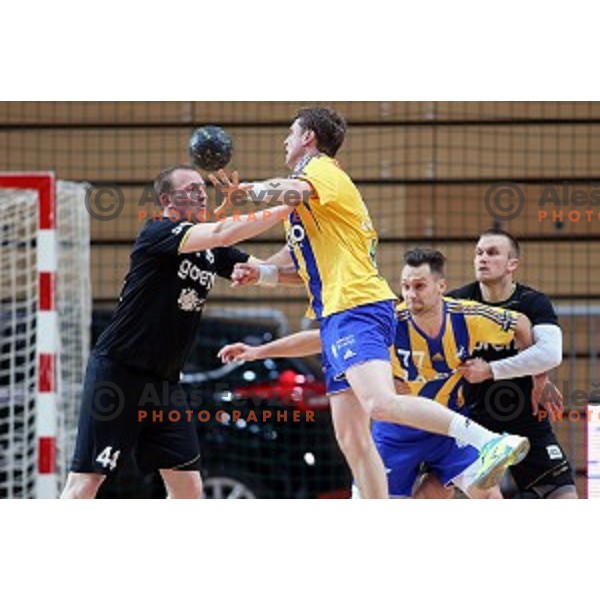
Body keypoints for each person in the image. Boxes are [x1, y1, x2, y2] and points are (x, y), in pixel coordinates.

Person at [216, 106, 531, 499]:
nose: (285, 140)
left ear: (309, 138)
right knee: (351, 437)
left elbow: (290, 191)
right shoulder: (311, 212)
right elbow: (300, 262)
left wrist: (248, 191)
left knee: (380, 403)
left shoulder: (320, 170)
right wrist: (259, 272)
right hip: (335, 315)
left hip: (357, 306)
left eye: (291, 133)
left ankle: (487, 441)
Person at [219, 248, 533, 498]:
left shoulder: (465, 317)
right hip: (395, 435)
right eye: (406, 286)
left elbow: (522, 324)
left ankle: (489, 444)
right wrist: (259, 351)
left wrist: (513, 374)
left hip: (447, 429)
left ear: (441, 286)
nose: (411, 294)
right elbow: (320, 339)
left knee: (489, 495)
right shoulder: (390, 320)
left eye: (419, 286)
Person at [61, 166, 294, 499]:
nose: (201, 192)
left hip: (163, 383)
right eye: (190, 188)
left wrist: (300, 234)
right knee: (85, 482)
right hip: (119, 372)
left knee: (188, 488)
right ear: (167, 199)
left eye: (202, 187)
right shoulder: (159, 231)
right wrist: (288, 203)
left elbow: (265, 269)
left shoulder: (215, 251)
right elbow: (222, 232)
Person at [446, 229, 578, 499]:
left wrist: (491, 371)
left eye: (492, 253)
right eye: (479, 253)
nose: (483, 259)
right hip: (471, 420)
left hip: (524, 417)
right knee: (441, 491)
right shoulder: (457, 303)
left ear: (512, 264)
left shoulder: (532, 302)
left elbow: (550, 354)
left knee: (565, 498)